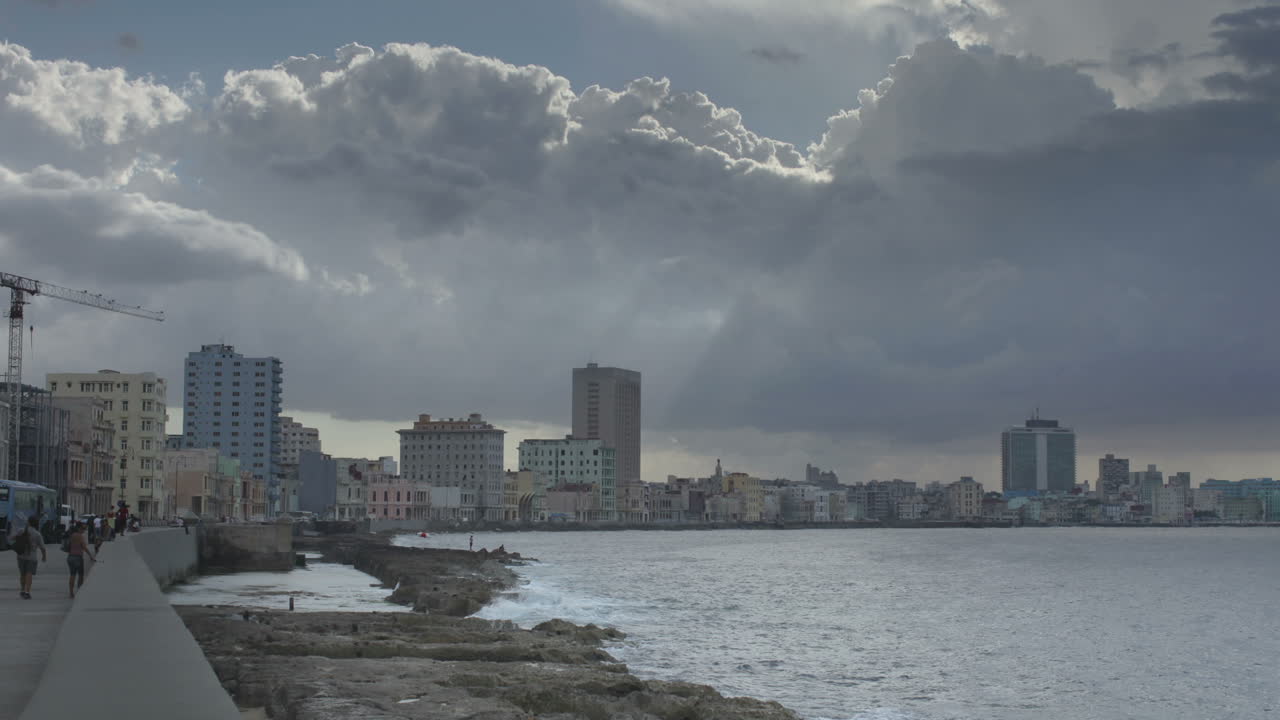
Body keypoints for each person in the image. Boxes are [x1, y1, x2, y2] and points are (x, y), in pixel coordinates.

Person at [10, 515, 47, 599]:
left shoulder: (22, 530)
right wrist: (44, 557)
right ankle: (27, 592)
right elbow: (43, 548)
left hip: (21, 556)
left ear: (29, 522)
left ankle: (22, 590)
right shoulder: (37, 534)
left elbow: (12, 538)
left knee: (22, 574)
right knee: (29, 574)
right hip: (32, 557)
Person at [65, 522, 96, 598]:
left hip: (70, 557)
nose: (84, 531)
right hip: (78, 557)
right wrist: (90, 556)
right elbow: (84, 547)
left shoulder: (71, 535)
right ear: (79, 528)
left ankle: (71, 593)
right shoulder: (80, 536)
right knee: (80, 575)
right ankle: (79, 591)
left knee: (72, 575)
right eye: (83, 529)